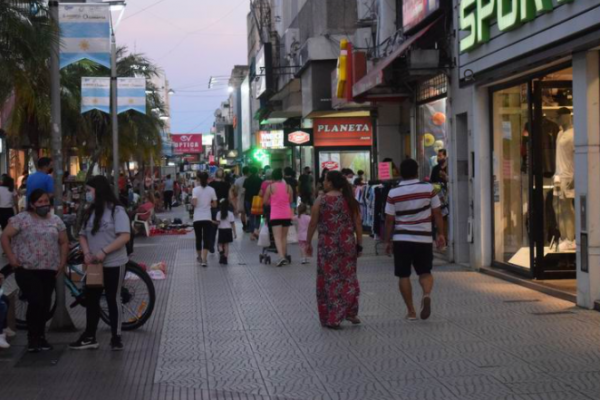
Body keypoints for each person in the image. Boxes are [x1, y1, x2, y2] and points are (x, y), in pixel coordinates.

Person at [1, 189, 68, 352]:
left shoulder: (56, 220)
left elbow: (64, 241)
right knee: (36, 301)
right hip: (27, 269)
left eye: (46, 201)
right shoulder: (21, 219)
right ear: (32, 204)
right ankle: (33, 338)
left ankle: (41, 337)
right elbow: (5, 236)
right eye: (40, 202)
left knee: (46, 304)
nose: (44, 205)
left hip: (49, 268)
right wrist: (11, 258)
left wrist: (62, 262)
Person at [70, 176, 131, 351]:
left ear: (99, 190)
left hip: (114, 262)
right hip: (95, 266)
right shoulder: (91, 211)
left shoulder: (116, 210)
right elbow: (82, 234)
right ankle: (90, 336)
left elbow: (125, 236)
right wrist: (87, 252)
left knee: (113, 298)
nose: (87, 194)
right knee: (92, 299)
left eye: (89, 190)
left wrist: (104, 251)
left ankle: (116, 337)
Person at [384, 159, 446, 321]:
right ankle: (426, 295)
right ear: (417, 171)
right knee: (425, 272)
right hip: (424, 238)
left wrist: (387, 241)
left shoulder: (393, 192)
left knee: (403, 275)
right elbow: (437, 213)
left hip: (402, 239)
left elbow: (389, 219)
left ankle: (411, 311)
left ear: (400, 173)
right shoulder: (428, 188)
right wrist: (441, 234)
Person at [306, 171, 363, 329]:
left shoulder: (321, 200)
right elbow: (358, 223)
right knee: (349, 277)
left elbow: (313, 223)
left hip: (327, 245)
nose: (323, 183)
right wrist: (360, 243)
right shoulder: (349, 199)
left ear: (330, 183)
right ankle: (351, 311)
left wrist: (308, 242)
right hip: (347, 244)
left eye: (325, 180)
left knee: (330, 279)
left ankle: (333, 317)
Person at [263, 168, 293, 267]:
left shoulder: (270, 187)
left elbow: (265, 202)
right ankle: (284, 255)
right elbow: (290, 201)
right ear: (282, 176)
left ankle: (281, 257)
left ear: (273, 177)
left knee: (277, 237)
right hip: (286, 214)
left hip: (275, 215)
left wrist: (273, 202)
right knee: (284, 237)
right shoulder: (288, 187)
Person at [192, 172, 217, 267]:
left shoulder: (195, 190)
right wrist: (208, 203)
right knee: (206, 238)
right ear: (208, 179)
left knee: (198, 238)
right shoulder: (211, 190)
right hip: (207, 218)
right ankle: (205, 260)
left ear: (198, 180)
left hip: (197, 218)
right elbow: (215, 204)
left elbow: (194, 203)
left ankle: (199, 257)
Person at [209, 169, 232, 253]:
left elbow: (209, 197)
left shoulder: (211, 184)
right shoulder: (227, 184)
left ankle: (211, 245)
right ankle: (221, 246)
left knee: (213, 227)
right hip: (224, 207)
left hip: (214, 208)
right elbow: (230, 197)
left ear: (215, 175)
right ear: (223, 176)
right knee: (223, 227)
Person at [214, 199, 236, 265]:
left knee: (219, 244)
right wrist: (235, 233)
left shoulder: (218, 213)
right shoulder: (230, 213)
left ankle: (221, 254)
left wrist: (211, 221)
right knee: (226, 245)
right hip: (228, 230)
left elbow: (218, 223)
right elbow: (233, 224)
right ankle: (225, 259)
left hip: (221, 230)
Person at [243, 166, 263, 238]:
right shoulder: (260, 180)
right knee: (258, 216)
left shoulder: (247, 180)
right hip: (257, 199)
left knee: (251, 216)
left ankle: (251, 233)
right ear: (257, 171)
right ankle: (256, 230)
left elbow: (244, 190)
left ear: (250, 172)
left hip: (248, 199)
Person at [233, 167, 249, 231]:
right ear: (248, 172)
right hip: (249, 197)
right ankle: (248, 225)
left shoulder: (238, 180)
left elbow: (235, 191)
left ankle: (244, 225)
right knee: (249, 213)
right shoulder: (249, 179)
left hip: (241, 198)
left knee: (243, 213)